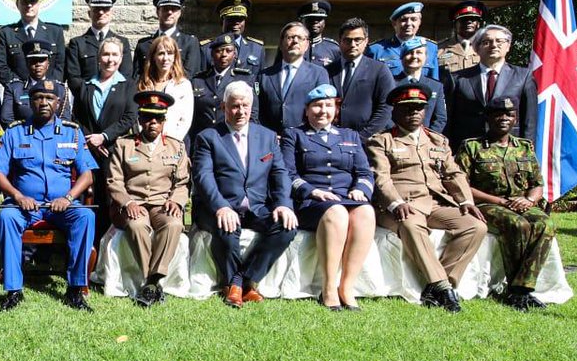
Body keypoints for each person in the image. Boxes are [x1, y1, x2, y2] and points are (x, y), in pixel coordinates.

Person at [366, 84, 487, 312]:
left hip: (436, 202)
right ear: (394, 111)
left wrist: (466, 201)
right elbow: (380, 178)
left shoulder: (437, 141)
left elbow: (453, 174)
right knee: (411, 226)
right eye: (408, 108)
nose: (414, 113)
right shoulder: (381, 141)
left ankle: (444, 285)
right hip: (403, 204)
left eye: (419, 108)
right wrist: (395, 202)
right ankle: (440, 286)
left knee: (475, 226)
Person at [0, 82, 97, 312]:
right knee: (7, 217)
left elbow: (87, 176)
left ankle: (75, 290)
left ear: (58, 103)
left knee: (86, 216)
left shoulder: (73, 132)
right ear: (30, 101)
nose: (44, 102)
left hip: (62, 205)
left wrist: (68, 198)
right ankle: (13, 290)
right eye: (39, 97)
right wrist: (17, 196)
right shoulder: (15, 132)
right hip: (25, 205)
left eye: (50, 98)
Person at [192, 81, 299, 308]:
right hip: (218, 206)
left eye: (245, 106)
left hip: (256, 207)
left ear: (252, 107)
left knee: (287, 227)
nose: (240, 112)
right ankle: (238, 286)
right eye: (234, 106)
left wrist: (283, 204)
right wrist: (221, 206)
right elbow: (203, 176)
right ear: (223, 107)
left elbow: (280, 173)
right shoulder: (208, 137)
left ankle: (243, 281)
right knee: (227, 230)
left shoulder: (267, 137)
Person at [280, 84, 376, 310]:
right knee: (337, 212)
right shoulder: (294, 135)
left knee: (366, 212)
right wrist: (311, 190)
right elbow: (287, 172)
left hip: (346, 197)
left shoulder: (350, 136)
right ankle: (329, 287)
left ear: (336, 110)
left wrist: (361, 189)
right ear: (306, 110)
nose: (323, 111)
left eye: (328, 106)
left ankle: (347, 286)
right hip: (311, 202)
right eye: (317, 106)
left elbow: (364, 172)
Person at [457, 96, 557, 311]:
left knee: (545, 224)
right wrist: (500, 201)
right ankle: (517, 291)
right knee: (517, 225)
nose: (503, 118)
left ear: (515, 119)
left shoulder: (524, 147)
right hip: (487, 204)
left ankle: (520, 290)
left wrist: (529, 200)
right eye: (497, 114)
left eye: (509, 115)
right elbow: (462, 186)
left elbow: (537, 184)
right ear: (488, 117)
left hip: (522, 202)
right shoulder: (472, 147)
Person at [105, 91, 191, 307]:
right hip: (134, 205)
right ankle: (151, 282)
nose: (152, 123)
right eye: (147, 118)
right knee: (137, 227)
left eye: (158, 118)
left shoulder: (176, 147)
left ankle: (152, 281)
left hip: (162, 204)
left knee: (173, 224)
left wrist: (177, 201)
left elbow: (182, 183)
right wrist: (128, 203)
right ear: (140, 120)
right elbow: (114, 181)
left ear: (164, 121)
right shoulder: (124, 145)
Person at [74, 38, 139, 237]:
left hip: (114, 152)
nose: (110, 59)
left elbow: (130, 117)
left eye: (114, 55)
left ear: (121, 59)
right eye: (106, 54)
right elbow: (76, 117)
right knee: (88, 199)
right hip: (88, 152)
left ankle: (107, 247)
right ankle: (87, 246)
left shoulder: (128, 85)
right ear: (98, 57)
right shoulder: (86, 85)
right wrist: (90, 140)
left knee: (110, 200)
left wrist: (104, 136)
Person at [446, 24, 538, 150]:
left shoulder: (523, 76)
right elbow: (449, 119)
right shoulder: (458, 79)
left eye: (500, 41)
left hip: (508, 151)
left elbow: (530, 121)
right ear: (476, 48)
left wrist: (527, 150)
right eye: (486, 42)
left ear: (508, 46)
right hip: (468, 150)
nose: (494, 45)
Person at [256, 22, 332, 132]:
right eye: (290, 37)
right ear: (281, 44)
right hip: (271, 140)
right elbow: (258, 110)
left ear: (307, 45)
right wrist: (267, 135)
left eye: (300, 38)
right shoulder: (265, 75)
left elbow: (322, 109)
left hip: (305, 138)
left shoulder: (319, 74)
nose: (295, 41)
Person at [326, 18, 395, 137]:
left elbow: (386, 108)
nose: (352, 45)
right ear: (340, 41)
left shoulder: (379, 70)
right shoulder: (327, 71)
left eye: (357, 40)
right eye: (347, 40)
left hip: (368, 140)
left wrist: (362, 137)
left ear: (366, 41)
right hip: (332, 139)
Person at [0, 0, 66, 89]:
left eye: (33, 2)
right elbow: (1, 67)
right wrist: (18, 87)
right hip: (18, 94)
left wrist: (49, 87)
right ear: (17, 5)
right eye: (25, 2)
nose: (29, 5)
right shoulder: (6, 33)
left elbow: (60, 65)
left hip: (49, 92)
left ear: (39, 4)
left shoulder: (55, 32)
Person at [64, 0, 134, 98]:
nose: (101, 12)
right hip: (85, 101)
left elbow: (126, 75)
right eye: (96, 9)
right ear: (89, 13)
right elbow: (73, 78)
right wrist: (92, 94)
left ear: (111, 13)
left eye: (105, 9)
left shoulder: (122, 42)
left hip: (115, 102)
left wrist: (111, 96)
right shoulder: (77, 43)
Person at [189, 33, 253, 147]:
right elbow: (191, 117)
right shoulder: (198, 80)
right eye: (219, 51)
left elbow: (253, 114)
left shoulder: (244, 79)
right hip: (202, 141)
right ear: (212, 54)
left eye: (228, 51)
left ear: (234, 55)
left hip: (231, 141)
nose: (223, 55)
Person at [133, 0, 202, 79]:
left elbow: (191, 74)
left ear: (179, 13)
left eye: (173, 9)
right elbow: (136, 76)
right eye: (165, 9)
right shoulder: (143, 44)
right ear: (158, 12)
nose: (169, 12)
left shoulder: (189, 43)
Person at [137, 35, 194, 144]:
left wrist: (170, 143)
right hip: (144, 143)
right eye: (161, 53)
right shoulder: (143, 83)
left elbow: (185, 120)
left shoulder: (183, 85)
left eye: (169, 53)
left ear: (175, 57)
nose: (165, 58)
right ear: (153, 56)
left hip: (172, 142)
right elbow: (137, 116)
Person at [0, 39, 69, 127]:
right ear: (27, 63)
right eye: (33, 61)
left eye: (42, 60)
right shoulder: (14, 88)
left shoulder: (60, 89)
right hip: (22, 138)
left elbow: (65, 119)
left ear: (48, 63)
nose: (38, 64)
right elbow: (7, 119)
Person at [367, 2, 440, 81]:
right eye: (404, 20)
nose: (409, 23)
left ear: (419, 22)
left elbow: (434, 82)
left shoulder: (430, 48)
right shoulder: (377, 50)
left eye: (413, 19)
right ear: (394, 23)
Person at [200, 0, 265, 77]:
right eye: (231, 18)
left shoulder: (257, 49)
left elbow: (260, 81)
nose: (236, 23)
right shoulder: (207, 48)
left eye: (240, 19)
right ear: (222, 21)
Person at [393, 37, 447, 133]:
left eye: (419, 52)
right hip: (396, 139)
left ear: (426, 57)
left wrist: (428, 138)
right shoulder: (391, 83)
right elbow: (386, 115)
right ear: (401, 57)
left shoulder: (436, 86)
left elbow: (440, 118)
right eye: (409, 53)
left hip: (426, 141)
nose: (414, 56)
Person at [437, 0, 487, 75]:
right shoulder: (439, 48)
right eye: (464, 19)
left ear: (479, 24)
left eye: (473, 19)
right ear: (455, 24)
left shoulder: (486, 47)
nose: (469, 22)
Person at [297, 0, 341, 68]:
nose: (315, 22)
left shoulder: (334, 48)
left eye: (319, 19)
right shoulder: (293, 45)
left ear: (324, 22)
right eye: (310, 19)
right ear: (302, 21)